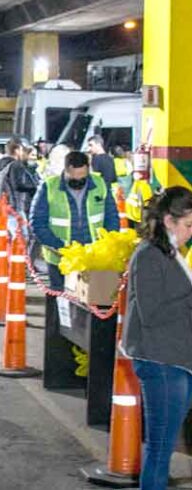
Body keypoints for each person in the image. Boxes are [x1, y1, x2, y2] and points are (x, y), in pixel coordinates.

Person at [121, 187, 192, 490]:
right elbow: (151, 314)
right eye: (188, 224)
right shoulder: (149, 255)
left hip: (176, 358)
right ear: (168, 221)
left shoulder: (172, 253)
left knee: (162, 447)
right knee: (160, 450)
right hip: (160, 361)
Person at [30, 151, 119, 290]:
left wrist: (106, 245)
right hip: (59, 259)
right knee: (59, 299)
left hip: (94, 257)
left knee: (94, 302)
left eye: (82, 178)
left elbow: (112, 217)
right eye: (73, 178)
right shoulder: (49, 187)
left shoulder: (100, 184)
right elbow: (37, 223)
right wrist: (59, 247)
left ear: (88, 170)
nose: (78, 182)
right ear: (66, 170)